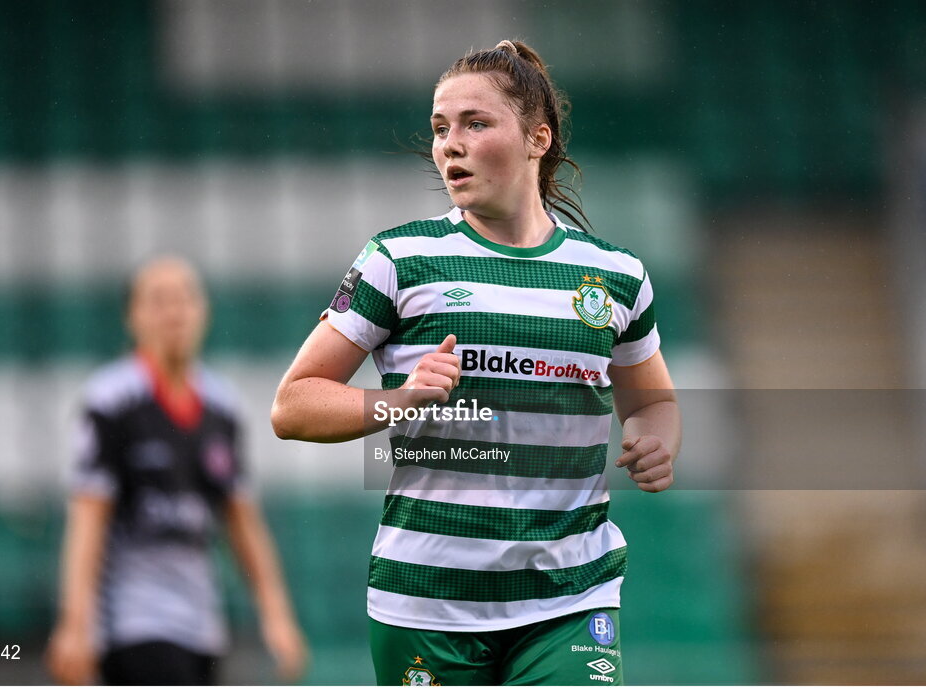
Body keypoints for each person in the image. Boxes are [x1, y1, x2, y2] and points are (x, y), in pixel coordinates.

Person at [271, 40, 680, 686]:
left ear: (536, 138)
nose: (449, 144)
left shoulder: (616, 276)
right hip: (427, 603)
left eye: (474, 123)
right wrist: (397, 402)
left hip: (570, 596)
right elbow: (292, 404)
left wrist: (654, 439)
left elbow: (653, 401)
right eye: (440, 128)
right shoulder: (397, 260)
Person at [46, 256, 308, 686]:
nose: (175, 312)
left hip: (202, 624)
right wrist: (76, 626)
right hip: (133, 622)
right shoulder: (110, 401)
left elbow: (241, 521)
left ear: (203, 311)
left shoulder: (222, 406)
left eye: (186, 298)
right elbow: (88, 518)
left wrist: (277, 616)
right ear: (133, 316)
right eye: (159, 301)